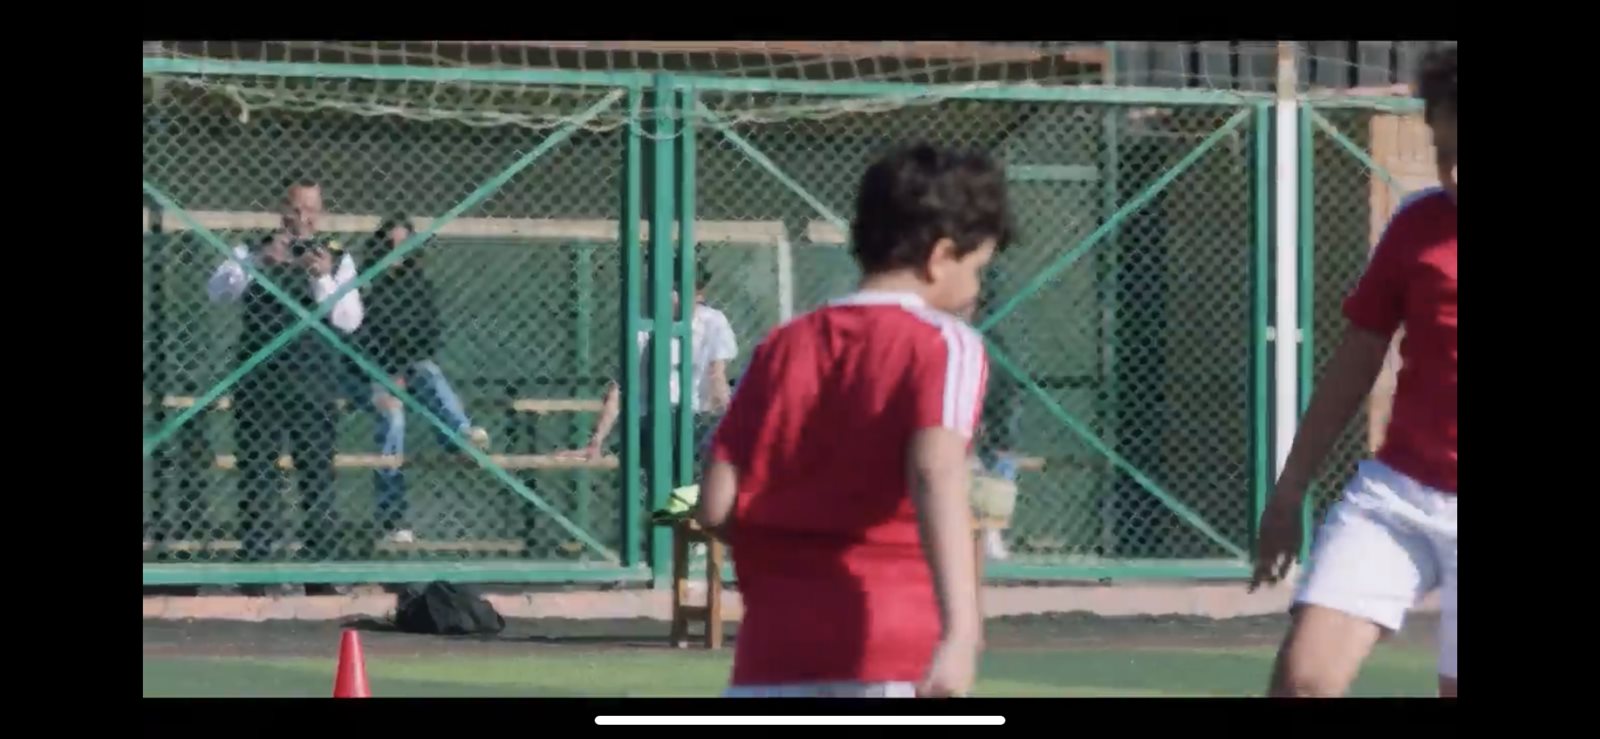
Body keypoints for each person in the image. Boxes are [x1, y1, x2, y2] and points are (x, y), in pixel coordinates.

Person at [693, 144, 1012, 698]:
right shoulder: (946, 343)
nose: (976, 288)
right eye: (976, 268)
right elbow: (935, 471)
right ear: (941, 256)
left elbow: (716, 505)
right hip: (891, 651)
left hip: (772, 656)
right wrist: (962, 634)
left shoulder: (781, 346)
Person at [1251, 46, 1457, 698]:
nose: (1455, 173)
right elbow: (1354, 363)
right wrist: (1290, 490)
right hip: (1399, 495)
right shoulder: (1417, 226)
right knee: (1304, 681)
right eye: (1444, 152)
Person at [205, 179, 365, 578]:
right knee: (257, 473)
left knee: (317, 473)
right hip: (259, 382)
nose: (302, 218)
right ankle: (257, 567)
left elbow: (349, 320)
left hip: (314, 384)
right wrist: (260, 261)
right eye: (295, 208)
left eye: (310, 209)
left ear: (321, 212)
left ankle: (320, 568)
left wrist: (320, 277)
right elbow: (217, 292)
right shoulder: (252, 249)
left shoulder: (337, 256)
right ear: (282, 210)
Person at [359, 215, 490, 544]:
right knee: (394, 419)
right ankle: (392, 518)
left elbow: (428, 336)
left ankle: (460, 436)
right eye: (389, 244)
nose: (396, 251)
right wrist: (391, 372)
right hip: (371, 370)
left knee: (429, 371)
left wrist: (402, 368)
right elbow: (362, 338)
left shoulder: (418, 285)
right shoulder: (365, 284)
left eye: (404, 244)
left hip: (407, 367)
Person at [580, 267, 738, 483]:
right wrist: (597, 440)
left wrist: (731, 423)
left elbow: (717, 376)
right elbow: (620, 388)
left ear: (699, 295)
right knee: (671, 433)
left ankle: (688, 493)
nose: (673, 297)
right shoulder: (643, 329)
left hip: (696, 419)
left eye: (681, 291)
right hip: (652, 420)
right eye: (670, 290)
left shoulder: (713, 321)